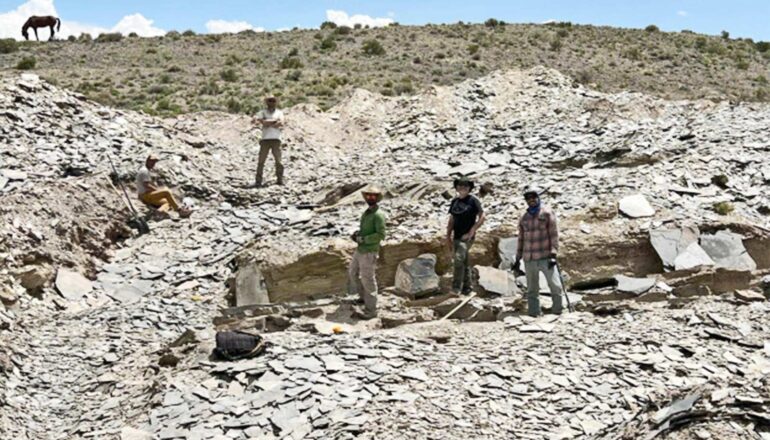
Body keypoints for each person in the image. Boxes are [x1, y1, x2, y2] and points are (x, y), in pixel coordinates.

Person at [514, 185, 564, 317]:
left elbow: (554, 234)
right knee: (532, 289)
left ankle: (557, 310)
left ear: (538, 198)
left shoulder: (547, 213)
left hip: (545, 256)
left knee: (555, 285)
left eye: (533, 197)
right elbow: (521, 238)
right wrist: (517, 258)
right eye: (528, 198)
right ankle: (534, 312)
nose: (531, 200)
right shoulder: (524, 217)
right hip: (529, 257)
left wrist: (553, 253)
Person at [348, 186, 387, 319]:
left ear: (377, 198)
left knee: (368, 279)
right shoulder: (368, 212)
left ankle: (371, 310)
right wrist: (358, 234)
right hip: (360, 249)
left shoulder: (378, 215)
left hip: (369, 251)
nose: (370, 198)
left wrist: (364, 239)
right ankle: (363, 298)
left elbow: (381, 234)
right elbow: (366, 230)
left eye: (373, 196)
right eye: (368, 196)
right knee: (353, 272)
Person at [446, 177, 485, 295]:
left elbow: (482, 216)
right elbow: (452, 219)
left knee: (458, 260)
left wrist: (472, 231)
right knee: (464, 261)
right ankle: (467, 287)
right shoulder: (455, 202)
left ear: (469, 188)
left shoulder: (473, 201)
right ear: (456, 187)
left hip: (466, 238)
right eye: (460, 185)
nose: (462, 188)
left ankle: (456, 288)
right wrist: (448, 235)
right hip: (456, 236)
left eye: (465, 186)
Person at [254, 96, 285, 187]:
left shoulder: (279, 112)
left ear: (276, 102)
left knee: (279, 161)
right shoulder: (262, 112)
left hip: (276, 139)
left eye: (273, 101)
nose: (271, 102)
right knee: (261, 161)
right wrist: (274, 121)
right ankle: (258, 181)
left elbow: (281, 123)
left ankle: (280, 180)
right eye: (270, 101)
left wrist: (267, 122)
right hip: (265, 139)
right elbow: (260, 122)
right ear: (267, 102)